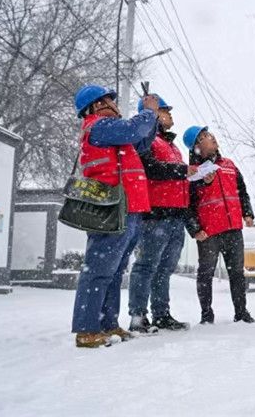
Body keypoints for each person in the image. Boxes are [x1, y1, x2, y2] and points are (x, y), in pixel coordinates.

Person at [71, 84, 158, 348]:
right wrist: (149, 113)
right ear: (97, 105)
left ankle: (108, 323)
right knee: (98, 269)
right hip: (110, 209)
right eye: (110, 100)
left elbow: (142, 139)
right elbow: (133, 130)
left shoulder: (112, 132)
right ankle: (87, 329)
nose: (115, 105)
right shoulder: (97, 126)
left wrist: (149, 117)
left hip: (128, 209)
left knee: (115, 270)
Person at [127, 95, 198, 333]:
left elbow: (177, 177)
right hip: (156, 215)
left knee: (165, 268)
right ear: (155, 113)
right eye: (166, 111)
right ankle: (138, 316)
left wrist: (191, 175)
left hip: (176, 215)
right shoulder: (148, 139)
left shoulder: (171, 146)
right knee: (146, 265)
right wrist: (182, 170)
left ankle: (161, 314)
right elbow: (149, 167)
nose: (171, 116)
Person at [183, 126, 255, 324]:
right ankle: (206, 315)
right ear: (197, 147)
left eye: (211, 134)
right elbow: (187, 204)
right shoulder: (193, 173)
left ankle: (241, 313)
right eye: (206, 137)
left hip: (233, 229)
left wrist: (247, 213)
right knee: (205, 274)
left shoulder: (229, 165)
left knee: (237, 273)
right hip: (209, 233)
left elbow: (242, 191)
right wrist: (195, 229)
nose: (212, 138)